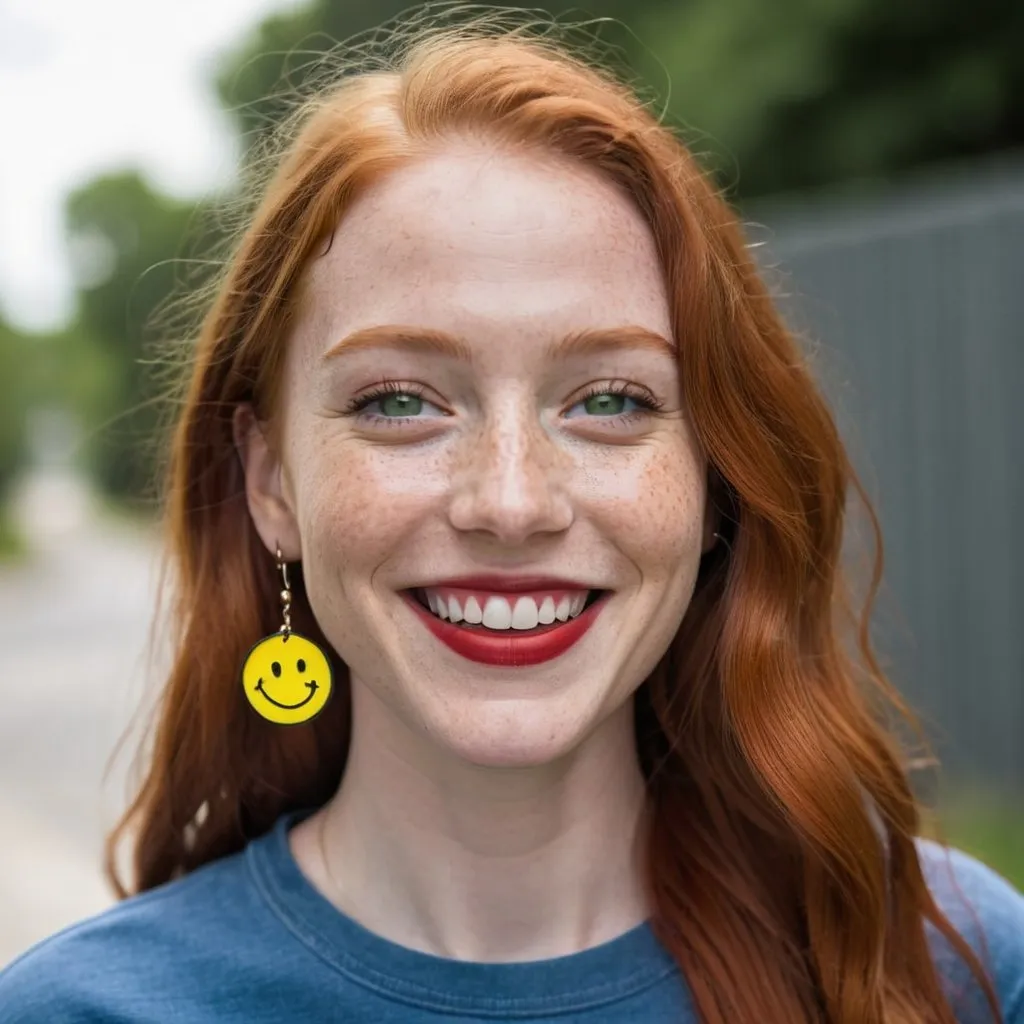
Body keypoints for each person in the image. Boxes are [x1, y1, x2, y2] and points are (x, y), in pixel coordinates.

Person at [2, 11, 1022, 1024]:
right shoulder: (81, 1012)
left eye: (610, 400)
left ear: (715, 473)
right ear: (271, 484)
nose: (510, 501)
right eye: (399, 401)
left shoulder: (955, 970)